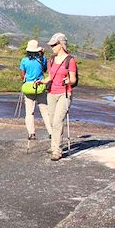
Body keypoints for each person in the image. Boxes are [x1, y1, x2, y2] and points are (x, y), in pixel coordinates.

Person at [40, 32, 77, 161]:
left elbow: (73, 79)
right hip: (51, 92)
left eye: (54, 45)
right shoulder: (51, 60)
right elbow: (50, 77)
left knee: (57, 122)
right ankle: (54, 145)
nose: (52, 47)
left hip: (65, 93)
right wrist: (41, 81)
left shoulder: (70, 60)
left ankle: (57, 150)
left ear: (61, 45)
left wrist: (68, 81)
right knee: (51, 121)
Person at [19, 39, 52, 140]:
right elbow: (45, 70)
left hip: (29, 87)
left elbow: (22, 75)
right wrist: (42, 55)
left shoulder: (24, 60)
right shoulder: (43, 59)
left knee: (29, 112)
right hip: (40, 86)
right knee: (45, 111)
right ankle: (51, 132)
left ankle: (31, 133)